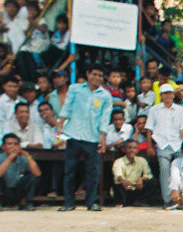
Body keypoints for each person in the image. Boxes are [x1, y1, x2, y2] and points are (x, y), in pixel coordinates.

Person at [57, 64, 113, 211]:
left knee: (93, 172)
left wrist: (103, 137)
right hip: (74, 134)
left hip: (92, 137)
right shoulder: (75, 89)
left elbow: (104, 118)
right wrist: (60, 124)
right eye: (94, 74)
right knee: (70, 170)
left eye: (100, 75)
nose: (97, 78)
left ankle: (91, 202)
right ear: (88, 73)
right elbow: (67, 107)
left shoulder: (105, 95)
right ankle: (69, 203)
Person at [145, 83, 183, 207]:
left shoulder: (181, 110)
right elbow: (149, 129)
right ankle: (167, 200)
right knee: (165, 171)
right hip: (162, 144)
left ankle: (181, 199)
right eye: (165, 93)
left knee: (180, 171)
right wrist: (149, 146)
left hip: (178, 144)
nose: (168, 95)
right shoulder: (154, 110)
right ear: (160, 95)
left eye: (170, 93)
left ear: (173, 94)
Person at [0, 133, 41, 211]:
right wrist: (10, 158)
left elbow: (37, 174)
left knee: (32, 177)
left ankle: (24, 203)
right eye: (9, 144)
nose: (13, 146)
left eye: (15, 144)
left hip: (18, 190)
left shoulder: (23, 158)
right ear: (3, 147)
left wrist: (28, 156)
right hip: (3, 191)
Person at [112, 139, 156, 206]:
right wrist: (123, 181)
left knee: (153, 181)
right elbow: (118, 174)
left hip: (137, 187)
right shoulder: (119, 161)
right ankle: (123, 202)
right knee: (117, 185)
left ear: (137, 150)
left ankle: (141, 201)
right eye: (129, 148)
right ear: (124, 149)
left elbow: (148, 174)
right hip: (125, 188)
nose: (132, 150)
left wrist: (141, 179)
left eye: (134, 148)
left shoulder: (142, 160)